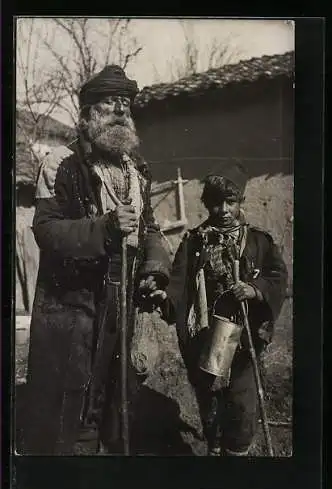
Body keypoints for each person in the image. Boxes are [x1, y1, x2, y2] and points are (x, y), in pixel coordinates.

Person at [23, 65, 171, 455]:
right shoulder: (61, 163)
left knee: (116, 390)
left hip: (123, 299)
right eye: (110, 105)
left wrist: (154, 269)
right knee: (73, 401)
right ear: (87, 115)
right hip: (75, 302)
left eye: (126, 105)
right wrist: (104, 229)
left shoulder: (137, 169)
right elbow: (48, 229)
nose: (120, 112)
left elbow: (150, 228)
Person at [139, 161, 288, 456]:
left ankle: (238, 453)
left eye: (230, 202)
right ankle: (214, 449)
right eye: (216, 203)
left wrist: (254, 290)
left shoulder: (258, 241)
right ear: (208, 204)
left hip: (244, 336)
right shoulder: (194, 241)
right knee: (209, 397)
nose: (223, 210)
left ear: (240, 202)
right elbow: (179, 281)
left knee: (242, 400)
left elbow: (277, 277)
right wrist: (163, 297)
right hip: (205, 332)